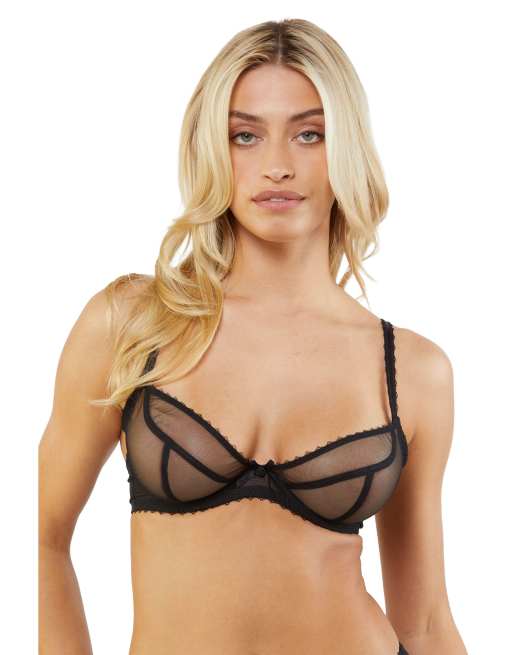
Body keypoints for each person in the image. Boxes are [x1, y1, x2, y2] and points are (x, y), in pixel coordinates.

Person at [38, 18, 468, 655]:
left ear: (347, 149)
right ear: (211, 148)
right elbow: (41, 537)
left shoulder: (411, 369)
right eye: (246, 135)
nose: (278, 166)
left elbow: (425, 622)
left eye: (309, 134)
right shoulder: (131, 324)